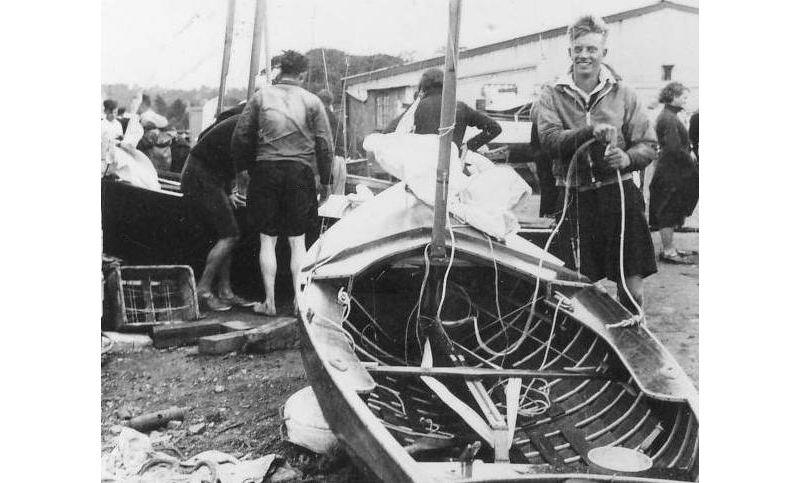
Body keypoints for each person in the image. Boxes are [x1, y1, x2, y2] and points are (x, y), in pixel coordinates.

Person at [537, 14, 657, 315]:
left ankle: (630, 342)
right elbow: (550, 141)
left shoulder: (624, 93)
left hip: (618, 195)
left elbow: (649, 144)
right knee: (575, 290)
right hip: (574, 197)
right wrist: (589, 132)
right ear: (570, 53)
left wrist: (628, 158)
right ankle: (586, 352)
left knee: (632, 290)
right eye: (578, 48)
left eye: (591, 49)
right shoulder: (551, 93)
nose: (584, 55)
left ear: (604, 53)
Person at [231, 50, 334, 316]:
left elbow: (240, 137)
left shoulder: (261, 96)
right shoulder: (312, 101)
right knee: (297, 242)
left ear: (279, 71)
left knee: (268, 241)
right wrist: (325, 179)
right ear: (302, 74)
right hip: (300, 173)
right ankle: (299, 304)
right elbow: (325, 145)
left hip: (266, 171)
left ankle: (270, 302)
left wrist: (245, 170)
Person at [181, 112, 256, 311]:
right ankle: (203, 291)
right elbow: (243, 167)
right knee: (230, 235)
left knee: (227, 232)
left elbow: (226, 154)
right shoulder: (251, 123)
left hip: (212, 176)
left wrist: (229, 190)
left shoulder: (248, 119)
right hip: (200, 175)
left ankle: (225, 291)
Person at [648, 82, 699, 264]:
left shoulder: (670, 115)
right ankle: (668, 251)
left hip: (671, 170)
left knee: (670, 209)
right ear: (673, 97)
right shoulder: (669, 118)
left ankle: (670, 248)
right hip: (671, 173)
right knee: (667, 211)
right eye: (683, 97)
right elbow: (673, 148)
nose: (686, 100)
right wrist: (691, 162)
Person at [394, 68, 501, 153]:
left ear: (423, 87)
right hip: (452, 167)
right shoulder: (460, 107)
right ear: (447, 85)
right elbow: (494, 128)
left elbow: (388, 132)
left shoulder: (416, 107)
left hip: (423, 168)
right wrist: (468, 146)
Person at [529, 103, 558, 217]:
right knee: (551, 187)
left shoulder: (538, 110)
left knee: (547, 188)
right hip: (547, 157)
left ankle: (546, 214)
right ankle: (549, 214)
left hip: (542, 157)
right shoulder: (547, 112)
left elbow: (534, 143)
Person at [316, 89, 347, 195]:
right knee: (338, 198)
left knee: (325, 199)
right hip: (341, 161)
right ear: (331, 102)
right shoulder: (337, 119)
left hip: (327, 162)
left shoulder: (318, 119)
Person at [137, 94, 174, 171]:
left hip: (151, 155)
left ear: (142, 104)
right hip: (166, 153)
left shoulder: (144, 117)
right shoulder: (157, 117)